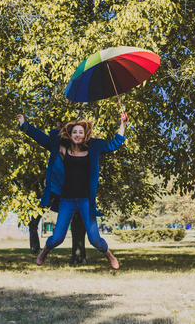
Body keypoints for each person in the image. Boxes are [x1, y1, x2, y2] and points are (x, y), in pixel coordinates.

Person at [16, 112, 128, 269]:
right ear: (70, 134)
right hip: (67, 200)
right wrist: (24, 125)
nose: (77, 134)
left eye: (80, 132)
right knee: (57, 239)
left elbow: (115, 143)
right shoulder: (62, 149)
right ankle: (45, 250)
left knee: (95, 240)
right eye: (74, 131)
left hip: (85, 201)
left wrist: (122, 124)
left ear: (85, 135)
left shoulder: (93, 149)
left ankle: (109, 254)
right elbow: (42, 139)